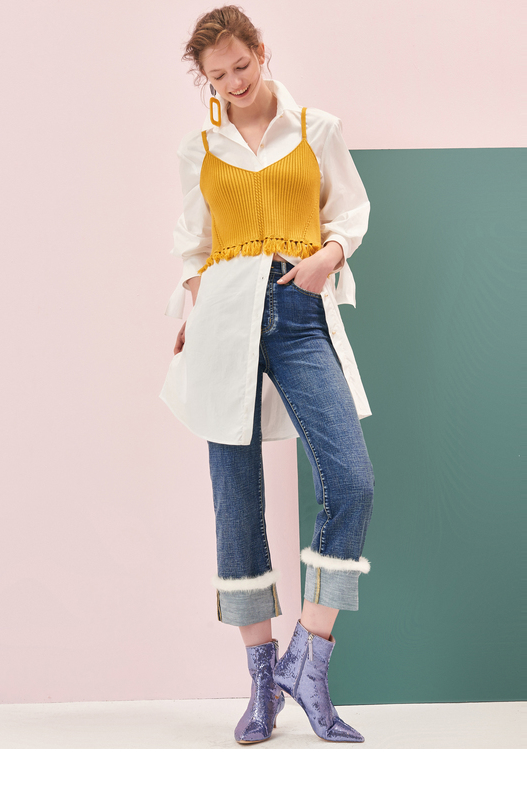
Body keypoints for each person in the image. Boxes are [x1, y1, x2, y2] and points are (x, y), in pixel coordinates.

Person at [161, 5, 374, 744]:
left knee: (351, 481)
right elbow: (193, 247)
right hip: (224, 322)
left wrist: (326, 259)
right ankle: (260, 682)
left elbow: (350, 214)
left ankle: (308, 661)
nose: (233, 83)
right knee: (236, 501)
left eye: (241, 66)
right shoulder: (199, 148)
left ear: (261, 51)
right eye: (217, 76)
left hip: (299, 312)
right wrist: (196, 311)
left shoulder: (317, 129)